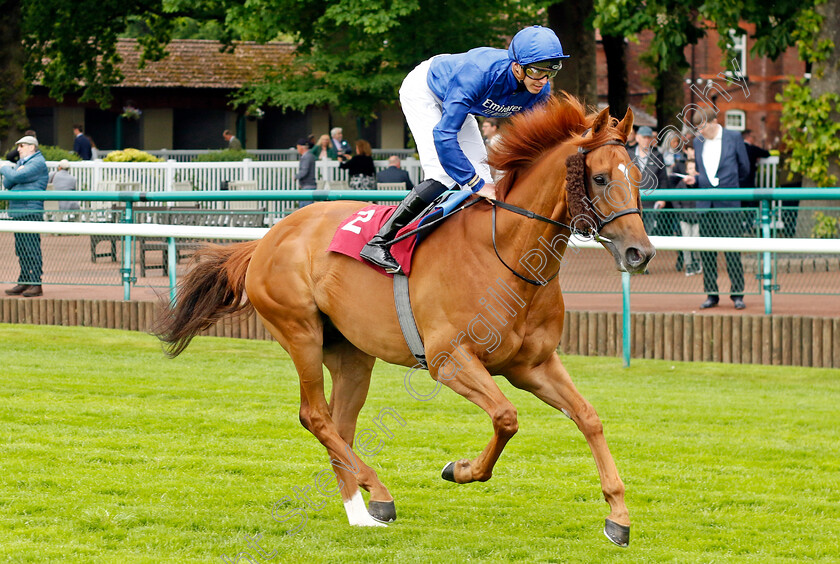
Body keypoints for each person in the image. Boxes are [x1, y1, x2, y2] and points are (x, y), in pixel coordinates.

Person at [360, 25, 568, 272]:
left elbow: (538, 144)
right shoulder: (479, 73)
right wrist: (474, 183)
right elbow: (444, 134)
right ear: (517, 67)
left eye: (551, 71)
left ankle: (480, 244)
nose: (544, 80)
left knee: (485, 174)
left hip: (464, 104)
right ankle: (380, 241)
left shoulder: (539, 89)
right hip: (425, 90)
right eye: (537, 71)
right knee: (444, 174)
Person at [684, 107, 750, 310]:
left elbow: (745, 168)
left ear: (714, 121)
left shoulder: (734, 137)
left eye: (702, 126)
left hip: (729, 204)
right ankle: (711, 294)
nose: (700, 131)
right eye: (697, 128)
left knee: (732, 252)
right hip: (706, 205)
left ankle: (737, 294)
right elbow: (702, 173)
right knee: (708, 253)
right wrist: (694, 180)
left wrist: (728, 187)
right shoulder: (697, 142)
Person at [1, 135, 49, 297]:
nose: (18, 149)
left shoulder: (37, 162)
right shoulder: (22, 163)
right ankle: (25, 280)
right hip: (19, 210)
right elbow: (7, 184)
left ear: (31, 147)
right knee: (21, 248)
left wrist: (4, 168)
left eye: (21, 146)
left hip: (30, 210)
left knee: (31, 247)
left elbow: (13, 178)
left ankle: (36, 283)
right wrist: (14, 172)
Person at [628, 126, 670, 235]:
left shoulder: (657, 156)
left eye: (648, 137)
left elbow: (663, 179)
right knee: (632, 234)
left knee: (648, 234)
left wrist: (662, 199)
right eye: (644, 137)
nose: (646, 140)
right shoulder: (628, 154)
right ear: (637, 138)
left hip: (651, 205)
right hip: (631, 204)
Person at [673, 159, 702, 276]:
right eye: (690, 168)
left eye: (695, 168)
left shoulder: (700, 184)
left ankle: (697, 261)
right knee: (685, 242)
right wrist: (680, 213)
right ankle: (689, 264)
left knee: (696, 240)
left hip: (697, 219)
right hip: (684, 218)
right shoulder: (681, 184)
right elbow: (676, 200)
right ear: (686, 170)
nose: (692, 171)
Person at [295, 137, 317, 207]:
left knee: (305, 208)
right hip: (309, 186)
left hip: (308, 186)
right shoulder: (310, 156)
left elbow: (304, 171)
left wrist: (296, 176)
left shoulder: (306, 157)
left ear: (301, 147)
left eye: (297, 147)